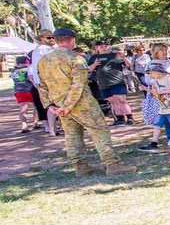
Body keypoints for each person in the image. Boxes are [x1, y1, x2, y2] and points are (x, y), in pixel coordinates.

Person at [38, 27, 135, 175]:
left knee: (72, 135)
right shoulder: (75, 58)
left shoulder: (44, 61)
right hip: (81, 103)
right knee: (100, 131)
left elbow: (42, 85)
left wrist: (51, 106)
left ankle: (80, 166)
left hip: (60, 105)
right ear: (72, 40)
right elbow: (78, 84)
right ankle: (112, 164)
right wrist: (68, 106)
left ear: (56, 41)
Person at [137, 61, 170, 152]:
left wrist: (162, 92)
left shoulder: (169, 79)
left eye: (151, 73)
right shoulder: (155, 81)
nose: (150, 75)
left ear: (157, 72)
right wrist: (146, 89)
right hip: (163, 108)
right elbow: (156, 95)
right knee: (157, 125)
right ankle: (153, 143)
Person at [87, 40, 134, 124]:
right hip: (103, 83)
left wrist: (124, 57)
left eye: (106, 46)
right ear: (97, 47)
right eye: (102, 46)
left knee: (121, 100)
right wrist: (94, 64)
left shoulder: (115, 55)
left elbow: (129, 65)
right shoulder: (94, 57)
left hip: (117, 81)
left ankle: (130, 117)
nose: (104, 48)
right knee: (112, 101)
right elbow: (89, 70)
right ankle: (120, 118)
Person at [27, 29, 60, 136]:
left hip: (42, 82)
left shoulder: (38, 49)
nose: (52, 39)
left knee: (51, 106)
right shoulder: (45, 49)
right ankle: (54, 129)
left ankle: (52, 129)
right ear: (41, 39)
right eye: (49, 37)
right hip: (48, 82)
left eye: (53, 37)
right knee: (56, 104)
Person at [11, 55, 36, 133]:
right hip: (29, 90)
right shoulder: (27, 69)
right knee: (36, 106)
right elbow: (30, 79)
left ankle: (24, 125)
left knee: (23, 109)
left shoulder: (13, 71)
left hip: (18, 91)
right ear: (26, 61)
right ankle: (35, 122)